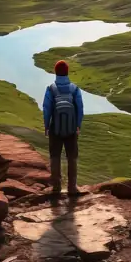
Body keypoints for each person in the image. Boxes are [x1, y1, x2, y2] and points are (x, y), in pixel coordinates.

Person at [42, 59, 84, 196]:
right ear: (67, 72)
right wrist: (78, 125)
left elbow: (46, 108)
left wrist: (47, 125)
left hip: (55, 129)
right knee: (72, 157)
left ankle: (56, 187)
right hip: (71, 129)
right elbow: (80, 108)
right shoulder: (74, 89)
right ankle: (72, 187)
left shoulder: (51, 89)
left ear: (55, 72)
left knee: (55, 157)